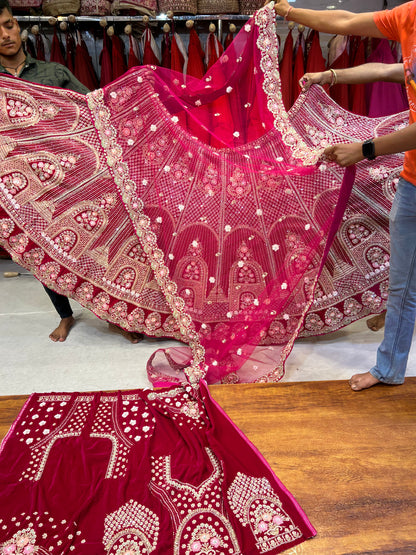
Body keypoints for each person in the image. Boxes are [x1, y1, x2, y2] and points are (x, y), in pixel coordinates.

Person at [273, 0, 416, 391]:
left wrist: (365, 149)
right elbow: (351, 25)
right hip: (413, 181)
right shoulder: (410, 15)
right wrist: (290, 14)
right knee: (404, 286)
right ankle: (389, 369)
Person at [0, 0, 142, 343]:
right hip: (23, 189)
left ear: (18, 26)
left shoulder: (54, 73)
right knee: (43, 256)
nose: (4, 35)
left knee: (96, 246)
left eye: (7, 25)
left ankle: (113, 314)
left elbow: (93, 114)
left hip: (68, 180)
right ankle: (64, 315)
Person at [299, 61, 407, 334]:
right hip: (408, 147)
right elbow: (384, 70)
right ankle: (392, 302)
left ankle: (397, 305)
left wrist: (365, 149)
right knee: (381, 212)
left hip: (407, 144)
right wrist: (328, 75)